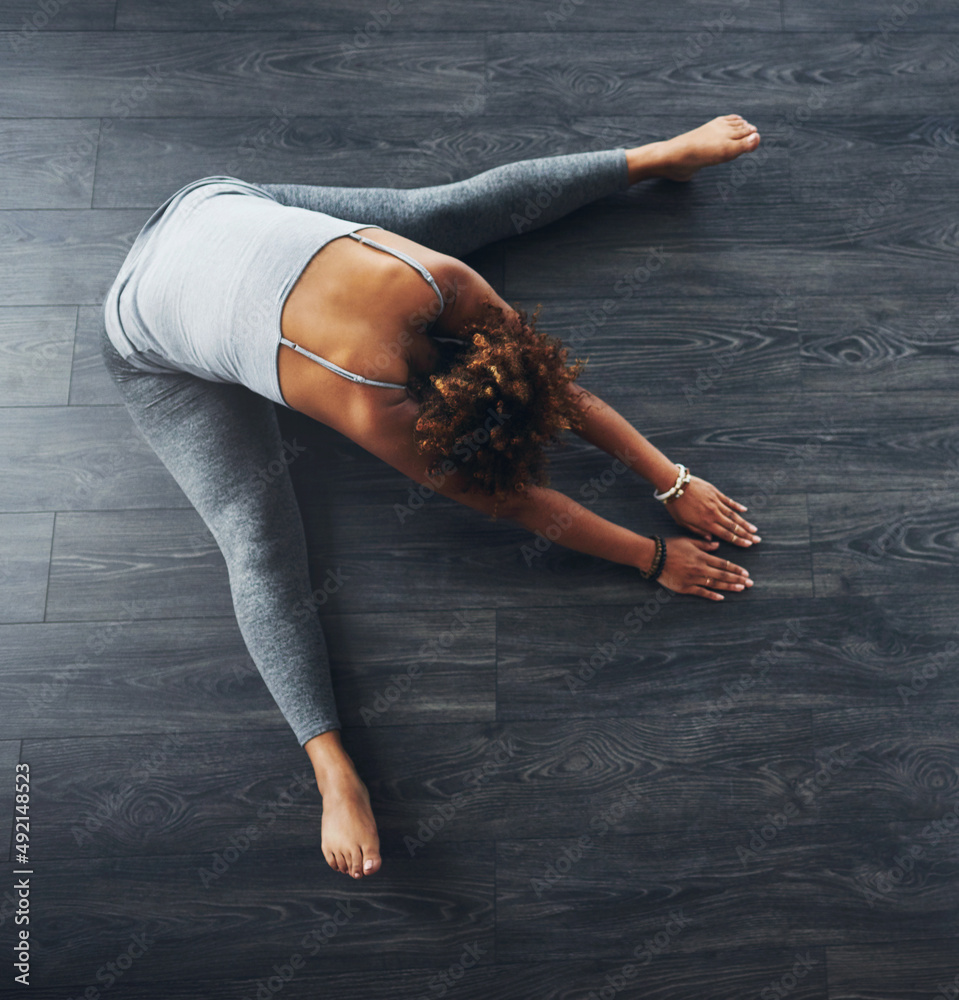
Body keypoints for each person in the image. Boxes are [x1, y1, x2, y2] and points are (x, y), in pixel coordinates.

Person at [100, 113, 763, 881]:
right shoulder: (361, 395)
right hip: (144, 324)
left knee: (446, 210)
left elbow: (552, 382)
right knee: (257, 539)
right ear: (426, 413)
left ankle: (657, 159)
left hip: (217, 206)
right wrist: (650, 558)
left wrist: (669, 477)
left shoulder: (436, 279)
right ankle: (330, 767)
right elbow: (516, 502)